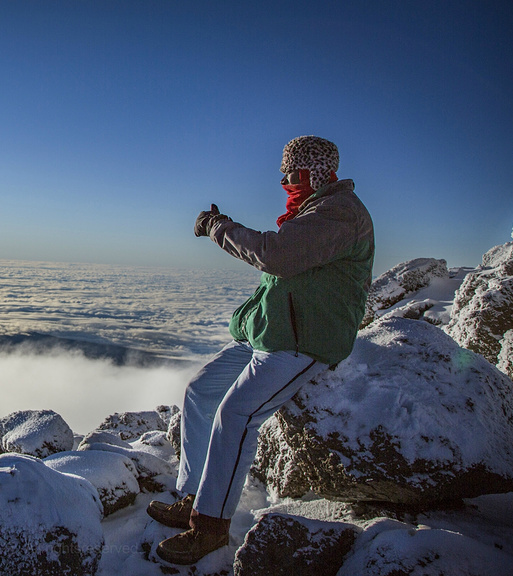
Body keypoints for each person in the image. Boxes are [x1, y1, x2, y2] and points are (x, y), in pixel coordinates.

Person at [149, 135, 374, 565]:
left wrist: (220, 228)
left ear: (314, 173)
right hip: (271, 333)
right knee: (200, 391)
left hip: (305, 340)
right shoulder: (312, 211)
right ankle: (193, 496)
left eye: (291, 174)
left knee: (237, 414)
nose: (285, 182)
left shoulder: (340, 212)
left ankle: (210, 526)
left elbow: (278, 257)